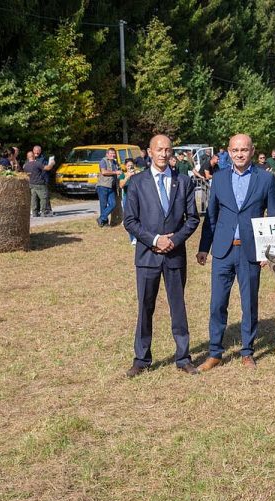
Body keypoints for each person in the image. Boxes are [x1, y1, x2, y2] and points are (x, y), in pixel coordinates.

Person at [195, 134, 275, 371]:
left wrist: (268, 252)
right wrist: (204, 247)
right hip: (222, 251)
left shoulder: (266, 179)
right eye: (235, 150)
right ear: (229, 153)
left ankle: (247, 351)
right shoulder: (219, 178)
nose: (239, 154)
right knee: (217, 303)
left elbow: (273, 216)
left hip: (251, 252)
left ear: (252, 151)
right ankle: (215, 352)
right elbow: (211, 216)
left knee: (249, 304)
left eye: (244, 149)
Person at [123, 134, 200, 377]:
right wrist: (155, 240)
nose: (164, 154)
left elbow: (193, 219)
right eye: (159, 149)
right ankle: (141, 358)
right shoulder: (136, 182)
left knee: (178, 306)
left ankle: (183, 357)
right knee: (145, 307)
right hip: (147, 256)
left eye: (168, 149)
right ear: (150, 152)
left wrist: (173, 240)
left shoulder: (184, 181)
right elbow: (130, 221)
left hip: (175, 256)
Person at [96, 147, 120, 227]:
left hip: (112, 186)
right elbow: (103, 172)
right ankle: (105, 223)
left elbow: (119, 172)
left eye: (114, 154)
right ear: (107, 154)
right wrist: (115, 172)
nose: (113, 155)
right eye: (111, 154)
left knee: (113, 204)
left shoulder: (115, 163)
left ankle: (101, 218)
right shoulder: (103, 161)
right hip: (103, 186)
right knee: (103, 205)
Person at [23, 151, 49, 218]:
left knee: (33, 199)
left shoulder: (25, 165)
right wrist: (51, 163)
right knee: (43, 198)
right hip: (39, 183)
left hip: (31, 183)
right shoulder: (37, 163)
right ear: (33, 156)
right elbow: (47, 168)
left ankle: (34, 213)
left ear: (27, 157)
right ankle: (43, 212)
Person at [118, 159, 137, 245]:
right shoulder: (123, 175)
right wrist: (127, 176)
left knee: (138, 218)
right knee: (129, 218)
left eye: (131, 165)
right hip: (127, 198)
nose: (130, 167)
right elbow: (121, 185)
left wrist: (135, 174)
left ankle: (138, 237)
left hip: (137, 197)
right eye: (128, 165)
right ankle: (132, 238)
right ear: (125, 166)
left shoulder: (138, 174)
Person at [32, 145, 55, 215]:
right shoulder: (30, 158)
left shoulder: (43, 159)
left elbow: (47, 168)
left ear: (40, 151)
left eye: (38, 150)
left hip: (43, 179)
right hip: (34, 180)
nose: (36, 152)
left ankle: (47, 210)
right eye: (35, 150)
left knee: (45, 196)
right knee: (35, 197)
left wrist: (51, 164)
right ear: (33, 151)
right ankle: (37, 211)